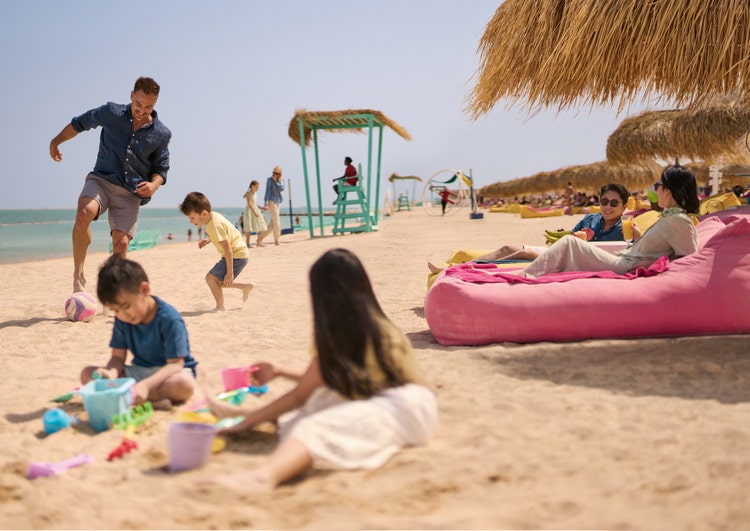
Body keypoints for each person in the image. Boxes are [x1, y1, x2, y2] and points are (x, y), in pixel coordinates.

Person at [200, 248, 437, 491]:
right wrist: (280, 371)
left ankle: (263, 476)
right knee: (321, 399)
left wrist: (247, 424)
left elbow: (299, 396)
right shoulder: (376, 323)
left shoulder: (344, 333)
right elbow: (328, 380)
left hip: (405, 409)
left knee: (311, 425)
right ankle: (242, 415)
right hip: (410, 404)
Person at [49, 76, 171, 294]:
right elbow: (80, 123)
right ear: (131, 95)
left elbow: (161, 170)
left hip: (130, 193)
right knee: (84, 213)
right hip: (101, 181)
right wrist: (55, 141)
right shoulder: (111, 112)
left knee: (121, 244)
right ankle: (78, 275)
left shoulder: (161, 134)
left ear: (155, 103)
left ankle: (114, 293)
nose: (142, 110)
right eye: (138, 104)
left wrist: (154, 185)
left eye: (148, 106)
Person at [522, 164, 700, 278]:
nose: (655, 190)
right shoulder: (671, 217)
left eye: (658, 186)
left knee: (570, 242)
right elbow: (657, 249)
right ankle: (532, 273)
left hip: (625, 266)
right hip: (624, 259)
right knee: (571, 244)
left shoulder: (679, 221)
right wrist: (639, 240)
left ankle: (526, 275)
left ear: (668, 191)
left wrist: (653, 267)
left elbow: (688, 260)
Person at [428, 183, 631, 274]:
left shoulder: (625, 229)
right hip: (563, 253)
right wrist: (559, 237)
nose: (608, 207)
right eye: (604, 201)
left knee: (523, 253)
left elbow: (627, 257)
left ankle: (466, 269)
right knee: (507, 247)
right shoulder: (590, 219)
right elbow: (568, 239)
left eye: (614, 203)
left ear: (624, 206)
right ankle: (455, 267)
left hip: (580, 263)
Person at [80, 256, 197, 410]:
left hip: (170, 374)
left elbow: (175, 364)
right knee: (87, 374)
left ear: (144, 290)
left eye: (125, 306)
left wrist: (146, 386)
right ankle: (147, 399)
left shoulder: (169, 319)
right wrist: (111, 374)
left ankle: (136, 395)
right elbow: (117, 358)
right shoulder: (122, 319)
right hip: (139, 372)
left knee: (184, 385)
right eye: (115, 310)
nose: (122, 315)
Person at [178, 192, 254, 311]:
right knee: (216, 282)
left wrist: (230, 273)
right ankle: (245, 287)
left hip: (236, 256)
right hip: (238, 254)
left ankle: (220, 307)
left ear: (204, 213)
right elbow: (223, 234)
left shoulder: (215, 225)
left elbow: (228, 249)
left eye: (192, 218)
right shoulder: (213, 217)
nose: (191, 221)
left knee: (211, 279)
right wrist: (208, 240)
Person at [258, 166, 285, 246]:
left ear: (279, 174)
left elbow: (282, 188)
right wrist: (266, 203)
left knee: (272, 224)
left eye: (276, 173)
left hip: (278, 202)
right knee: (277, 221)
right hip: (271, 202)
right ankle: (277, 240)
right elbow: (268, 191)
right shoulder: (269, 180)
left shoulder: (282, 180)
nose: (274, 174)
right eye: (273, 172)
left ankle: (260, 238)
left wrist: (275, 181)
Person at [243, 180, 268, 247]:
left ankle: (259, 242)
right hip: (249, 211)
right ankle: (248, 244)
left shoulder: (255, 194)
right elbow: (250, 204)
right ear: (252, 186)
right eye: (256, 187)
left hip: (256, 210)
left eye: (258, 187)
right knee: (249, 228)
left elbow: (255, 204)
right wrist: (255, 213)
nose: (257, 188)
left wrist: (262, 208)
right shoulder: (248, 193)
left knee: (262, 226)